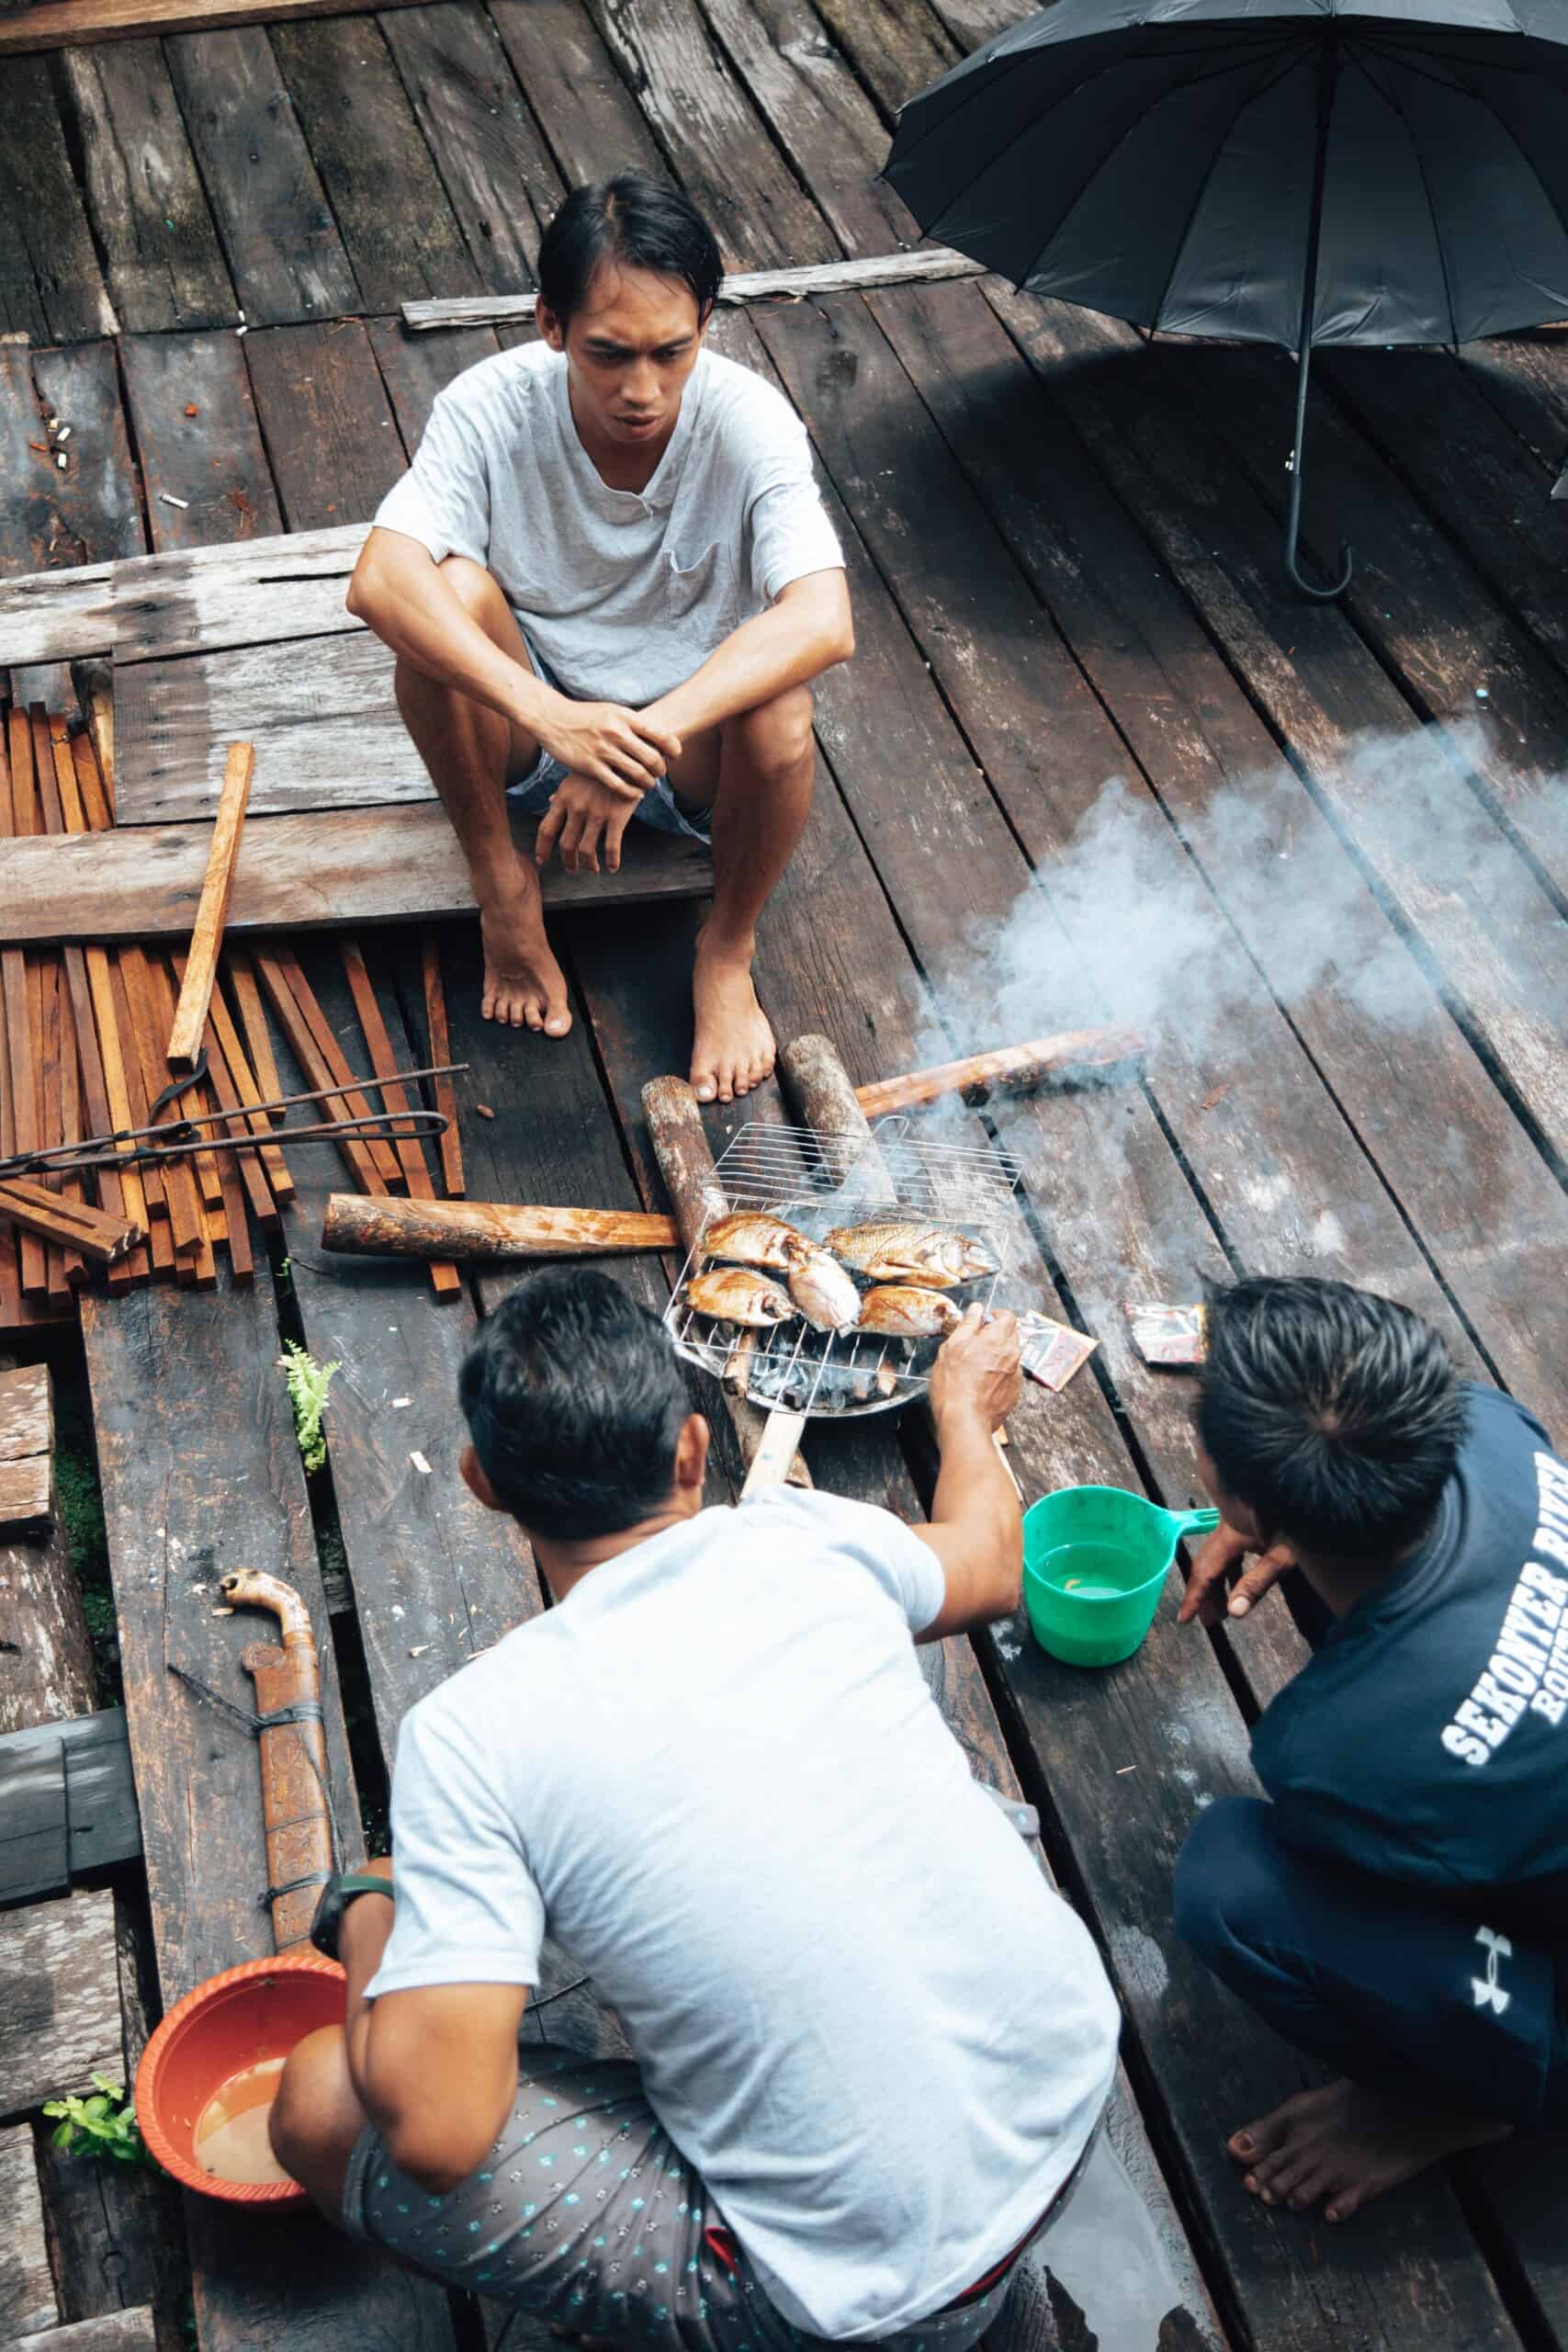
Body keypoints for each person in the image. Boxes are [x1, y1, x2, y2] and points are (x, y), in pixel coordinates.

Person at [270, 1268, 1120, 2352]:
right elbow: (994, 1562)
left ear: (482, 1484)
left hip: (864, 2298)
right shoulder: (800, 1534)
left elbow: (438, 2131)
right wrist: (963, 1413)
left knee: (320, 2100)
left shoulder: (469, 1734)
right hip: (1074, 2091)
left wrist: (367, 1916)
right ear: (692, 1451)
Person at [347, 175, 852, 1107]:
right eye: (608, 353)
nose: (642, 390)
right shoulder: (489, 404)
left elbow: (825, 618)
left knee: (785, 702)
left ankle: (726, 948)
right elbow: (378, 579)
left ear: (708, 318)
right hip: (530, 730)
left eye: (673, 351)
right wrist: (560, 720)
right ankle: (502, 882)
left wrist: (630, 745)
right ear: (550, 324)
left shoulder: (749, 423)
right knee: (447, 592)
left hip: (690, 747)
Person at [1172, 1274, 1568, 2225]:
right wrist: (1297, 1534)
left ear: (1249, 1504)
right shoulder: (1494, 1431)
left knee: (1229, 1881)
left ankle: (1457, 2105)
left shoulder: (1332, 1753)